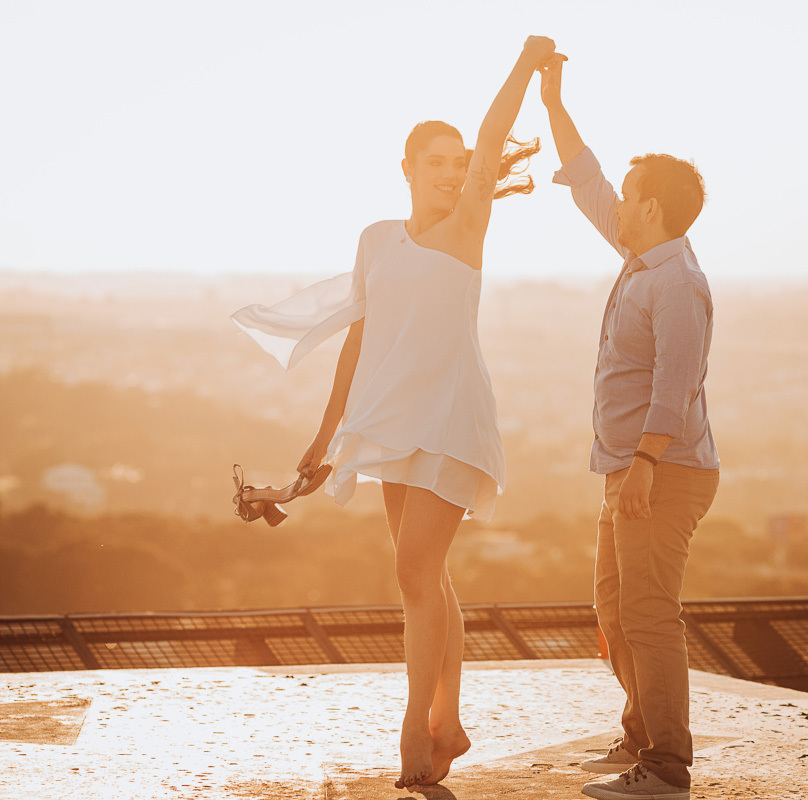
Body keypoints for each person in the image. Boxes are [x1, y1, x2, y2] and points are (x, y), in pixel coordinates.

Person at [232, 35, 560, 789]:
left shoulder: (468, 227)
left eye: (459, 163)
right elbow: (358, 340)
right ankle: (449, 721)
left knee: (414, 572)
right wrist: (324, 439)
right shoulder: (377, 239)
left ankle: (416, 727)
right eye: (434, 162)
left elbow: (490, 139)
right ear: (405, 168)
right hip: (391, 424)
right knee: (427, 576)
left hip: (451, 420)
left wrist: (524, 64)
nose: (451, 172)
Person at [538, 55, 720, 800]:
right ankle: (641, 737)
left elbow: (676, 384)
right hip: (631, 468)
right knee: (615, 609)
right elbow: (587, 184)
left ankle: (666, 767)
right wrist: (553, 103)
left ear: (651, 208)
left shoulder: (677, 282)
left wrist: (643, 464)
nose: (618, 201)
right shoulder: (644, 260)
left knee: (648, 614)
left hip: (662, 470)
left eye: (629, 193)